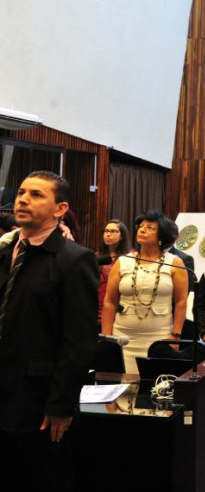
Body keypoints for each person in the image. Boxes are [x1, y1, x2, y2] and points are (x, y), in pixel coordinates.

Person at [0, 171, 99, 491]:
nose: (23, 199)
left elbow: (79, 342)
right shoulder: (6, 251)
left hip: (38, 401)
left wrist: (61, 405)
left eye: (36, 195)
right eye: (21, 193)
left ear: (60, 209)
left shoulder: (74, 259)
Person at [101, 211, 189, 375]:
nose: (142, 230)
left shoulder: (175, 263)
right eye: (141, 227)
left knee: (153, 390)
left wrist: (176, 335)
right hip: (123, 338)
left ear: (162, 235)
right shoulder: (123, 261)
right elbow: (110, 301)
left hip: (159, 339)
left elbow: (181, 302)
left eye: (150, 228)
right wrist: (107, 337)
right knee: (120, 391)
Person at [97, 219, 131, 323]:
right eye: (106, 231)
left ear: (122, 236)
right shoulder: (97, 256)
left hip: (120, 308)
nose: (108, 234)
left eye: (113, 231)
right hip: (98, 307)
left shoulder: (130, 257)